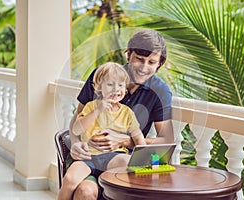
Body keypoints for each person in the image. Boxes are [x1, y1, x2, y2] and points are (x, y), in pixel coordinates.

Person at [68, 29, 174, 200]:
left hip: (123, 161)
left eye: (151, 62)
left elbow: (167, 140)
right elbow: (78, 117)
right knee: (85, 192)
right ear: (128, 54)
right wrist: (74, 144)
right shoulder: (101, 75)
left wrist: (123, 140)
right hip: (88, 156)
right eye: (139, 59)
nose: (144, 67)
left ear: (159, 64)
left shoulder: (161, 92)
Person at [58, 62, 146, 200]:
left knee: (131, 163)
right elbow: (76, 129)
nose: (116, 89)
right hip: (88, 156)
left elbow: (138, 138)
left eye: (121, 85)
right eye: (110, 84)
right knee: (70, 179)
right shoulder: (91, 106)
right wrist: (98, 110)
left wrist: (146, 156)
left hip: (113, 157)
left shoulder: (127, 113)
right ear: (98, 87)